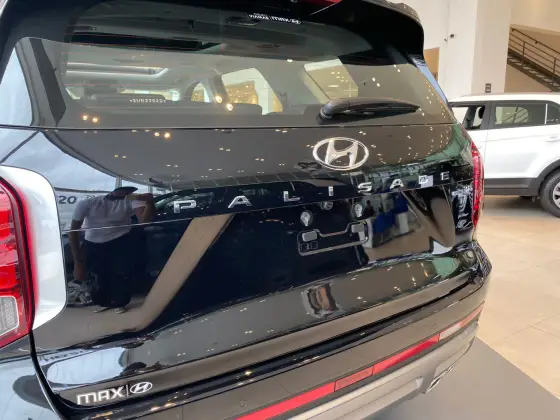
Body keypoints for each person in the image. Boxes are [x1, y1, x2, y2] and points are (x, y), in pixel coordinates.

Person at [68, 187, 155, 313]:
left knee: (120, 273)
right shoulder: (88, 203)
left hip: (120, 239)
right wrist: (77, 262)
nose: (124, 194)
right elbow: (73, 231)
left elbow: (143, 221)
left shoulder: (132, 199)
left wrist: (150, 203)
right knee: (97, 274)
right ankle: (102, 301)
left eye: (128, 192)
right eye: (121, 191)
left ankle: (119, 302)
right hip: (93, 242)